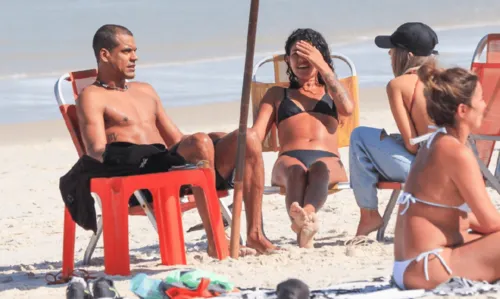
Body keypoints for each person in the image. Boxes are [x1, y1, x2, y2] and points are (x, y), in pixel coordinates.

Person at [76, 24, 276, 255]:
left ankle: (255, 235)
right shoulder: (91, 97)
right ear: (104, 54)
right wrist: (139, 155)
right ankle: (217, 241)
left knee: (247, 137)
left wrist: (215, 141)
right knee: (201, 142)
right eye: (126, 51)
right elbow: (96, 151)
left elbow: (178, 139)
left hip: (174, 169)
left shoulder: (145, 90)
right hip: (139, 180)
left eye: (135, 51)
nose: (135, 57)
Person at [392, 63, 500, 290]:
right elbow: (491, 223)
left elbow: (444, 213)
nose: (484, 105)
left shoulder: (434, 143)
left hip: (410, 266)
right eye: (480, 99)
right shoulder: (456, 153)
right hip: (429, 268)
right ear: (462, 110)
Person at [253, 28, 354, 248]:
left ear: (321, 58)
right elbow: (256, 135)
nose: (301, 59)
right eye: (296, 54)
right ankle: (308, 222)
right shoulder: (277, 94)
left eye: (308, 53)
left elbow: (347, 108)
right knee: (296, 172)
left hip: (328, 159)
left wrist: (323, 67)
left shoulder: (333, 91)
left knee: (319, 169)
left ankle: (304, 216)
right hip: (289, 159)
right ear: (288, 60)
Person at [349, 22, 438, 236]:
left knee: (360, 136)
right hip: (460, 166)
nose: (389, 53)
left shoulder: (399, 84)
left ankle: (369, 215)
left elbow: (412, 146)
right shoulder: (450, 78)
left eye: (392, 49)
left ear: (406, 56)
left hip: (427, 173)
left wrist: (398, 141)